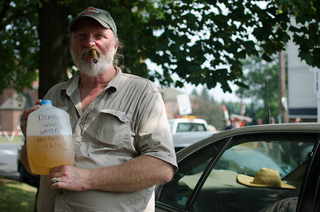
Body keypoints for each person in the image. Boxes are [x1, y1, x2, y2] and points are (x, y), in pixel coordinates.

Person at [19, 6, 178, 212]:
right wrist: (29, 139)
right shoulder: (54, 95)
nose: (89, 42)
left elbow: (162, 167)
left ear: (115, 45)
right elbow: (33, 166)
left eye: (99, 35)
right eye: (81, 36)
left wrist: (87, 179)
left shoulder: (143, 93)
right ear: (71, 45)